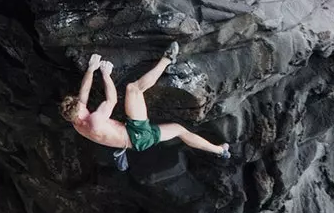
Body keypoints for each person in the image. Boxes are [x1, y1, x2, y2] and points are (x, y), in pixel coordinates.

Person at [60, 43, 231, 171]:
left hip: (135, 141)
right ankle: (167, 59)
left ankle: (220, 151)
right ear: (81, 114)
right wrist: (106, 75)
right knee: (133, 89)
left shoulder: (76, 122)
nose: (84, 105)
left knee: (179, 130)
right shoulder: (94, 120)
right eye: (82, 107)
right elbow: (111, 100)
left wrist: (91, 69)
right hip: (137, 135)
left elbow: (84, 92)